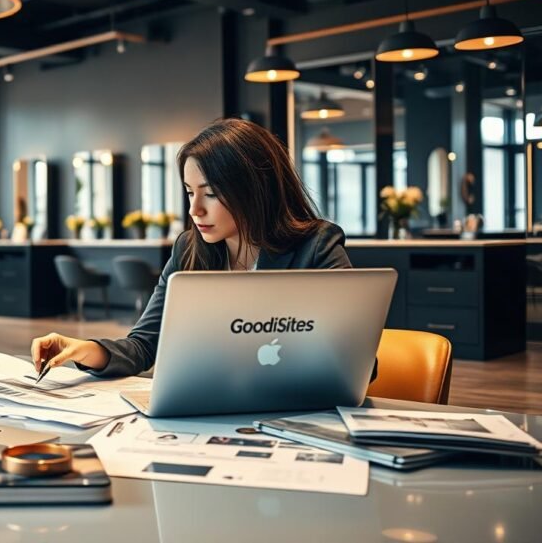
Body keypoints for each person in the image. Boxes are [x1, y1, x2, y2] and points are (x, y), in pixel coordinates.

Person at [30, 118, 372, 380]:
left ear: (254, 189)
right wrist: (84, 349)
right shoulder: (189, 249)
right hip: (213, 412)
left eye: (209, 194)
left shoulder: (317, 245)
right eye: (189, 192)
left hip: (299, 411)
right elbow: (144, 346)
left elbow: (360, 361)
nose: (195, 210)